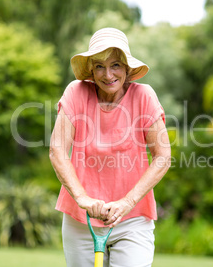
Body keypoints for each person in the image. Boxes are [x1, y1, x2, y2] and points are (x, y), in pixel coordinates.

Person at [49, 27, 171, 267]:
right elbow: (57, 151)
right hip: (81, 219)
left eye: (115, 65)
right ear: (91, 71)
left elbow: (163, 157)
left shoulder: (144, 96)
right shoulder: (76, 92)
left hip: (132, 219)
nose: (108, 75)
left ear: (127, 68)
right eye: (99, 66)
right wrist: (82, 197)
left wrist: (126, 202)